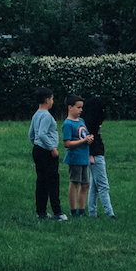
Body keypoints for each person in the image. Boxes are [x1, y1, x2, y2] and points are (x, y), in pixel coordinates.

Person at [28, 88, 65, 221]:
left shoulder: (36, 115)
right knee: (53, 181)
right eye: (52, 99)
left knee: (41, 181)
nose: (53, 101)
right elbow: (42, 133)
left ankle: (41, 211)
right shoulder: (47, 116)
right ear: (47, 100)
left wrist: (36, 144)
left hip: (38, 150)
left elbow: (31, 134)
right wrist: (52, 148)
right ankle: (57, 212)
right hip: (47, 152)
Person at [61, 95, 95, 217]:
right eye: (78, 107)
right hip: (75, 157)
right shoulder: (68, 124)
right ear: (70, 107)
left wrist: (89, 138)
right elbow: (67, 143)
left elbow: (84, 135)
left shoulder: (81, 121)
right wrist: (83, 141)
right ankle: (74, 211)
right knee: (74, 183)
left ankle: (82, 210)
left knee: (85, 184)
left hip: (84, 157)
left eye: (82, 107)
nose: (81, 110)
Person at [81, 97, 114, 219]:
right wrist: (90, 154)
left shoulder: (89, 124)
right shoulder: (91, 127)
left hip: (96, 154)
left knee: (94, 186)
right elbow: (89, 141)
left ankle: (92, 213)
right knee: (103, 185)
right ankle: (109, 213)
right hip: (96, 155)